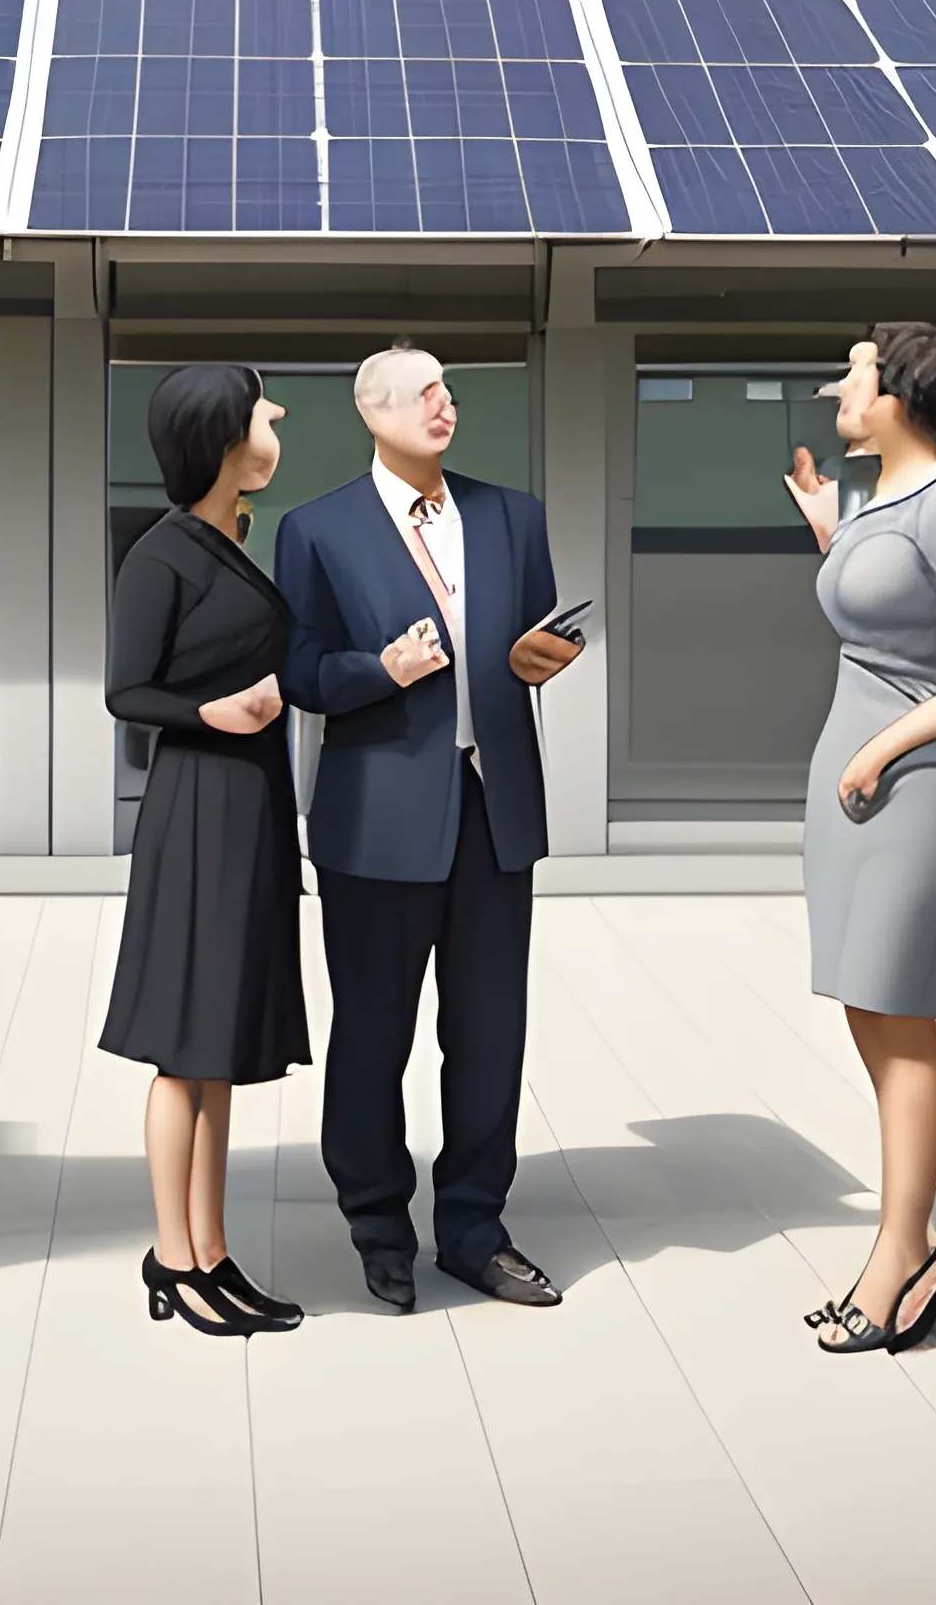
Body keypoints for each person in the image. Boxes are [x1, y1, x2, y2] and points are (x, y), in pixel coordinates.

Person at [274, 346, 580, 1313]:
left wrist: (539, 662)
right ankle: (376, 1224)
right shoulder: (315, 531)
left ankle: (474, 1230)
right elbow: (303, 674)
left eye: (449, 389)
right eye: (424, 393)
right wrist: (383, 672)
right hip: (376, 822)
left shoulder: (511, 516)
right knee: (373, 1035)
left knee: (490, 1036)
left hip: (497, 810)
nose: (445, 405)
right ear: (373, 411)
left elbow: (527, 640)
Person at [785, 325, 936, 1355]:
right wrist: (827, 531)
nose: (839, 386)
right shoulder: (877, 500)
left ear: (897, 394)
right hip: (852, 780)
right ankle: (913, 1245)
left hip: (913, 785)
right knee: (867, 1013)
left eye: (853, 373)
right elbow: (884, 620)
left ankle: (898, 1260)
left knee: (901, 1018)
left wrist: (885, 745)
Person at [100, 364, 309, 1338]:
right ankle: (171, 1256)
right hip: (196, 804)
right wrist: (208, 711)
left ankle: (213, 1249)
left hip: (254, 801)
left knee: (220, 1046)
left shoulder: (230, 540)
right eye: (262, 411)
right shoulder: (162, 552)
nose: (274, 421)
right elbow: (124, 690)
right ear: (223, 435)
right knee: (185, 1047)